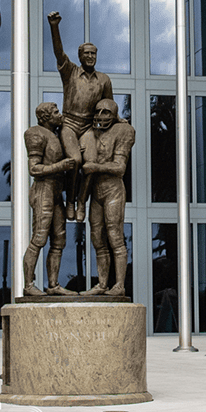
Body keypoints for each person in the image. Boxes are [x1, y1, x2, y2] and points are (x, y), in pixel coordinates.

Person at [48, 11, 114, 223]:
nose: (90, 57)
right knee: (75, 160)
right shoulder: (71, 72)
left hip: (88, 127)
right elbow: (59, 53)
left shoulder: (104, 80)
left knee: (90, 164)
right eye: (86, 54)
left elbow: (109, 106)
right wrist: (54, 26)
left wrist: (118, 122)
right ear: (80, 56)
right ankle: (70, 201)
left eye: (93, 54)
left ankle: (82, 202)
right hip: (69, 123)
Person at [21, 102, 80, 297]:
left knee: (59, 240)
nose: (59, 114)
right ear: (45, 117)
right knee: (39, 238)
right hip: (43, 190)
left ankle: (53, 284)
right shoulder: (35, 133)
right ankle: (28, 285)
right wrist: (61, 165)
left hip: (56, 192)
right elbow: (34, 169)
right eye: (55, 112)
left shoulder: (56, 135)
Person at [79, 99, 135, 296]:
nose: (100, 116)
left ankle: (119, 285)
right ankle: (102, 284)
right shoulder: (91, 134)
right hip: (96, 191)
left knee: (115, 237)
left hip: (113, 189)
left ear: (114, 115)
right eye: (98, 112)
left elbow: (120, 167)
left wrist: (96, 167)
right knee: (96, 238)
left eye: (106, 113)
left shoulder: (123, 131)